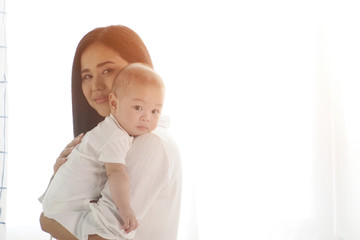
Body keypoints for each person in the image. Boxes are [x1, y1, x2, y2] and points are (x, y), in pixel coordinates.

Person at [39, 25, 182, 240]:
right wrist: (63, 178)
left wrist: (46, 220)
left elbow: (100, 237)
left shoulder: (150, 142)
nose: (96, 85)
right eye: (86, 76)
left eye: (107, 70)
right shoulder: (113, 139)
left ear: (140, 68)